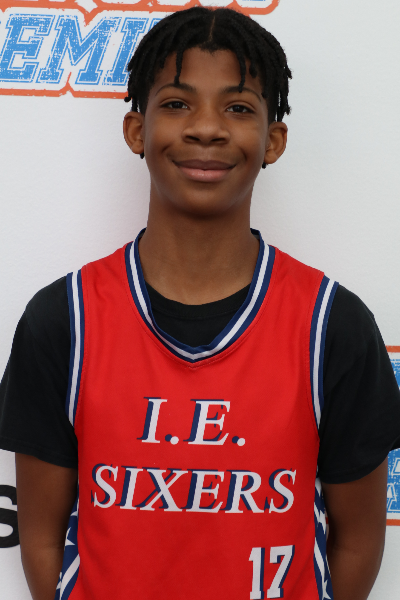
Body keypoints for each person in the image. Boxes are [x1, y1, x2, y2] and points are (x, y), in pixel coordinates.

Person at [1, 7, 400, 600]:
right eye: (177, 103)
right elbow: (40, 538)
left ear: (273, 140)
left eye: (237, 108)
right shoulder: (64, 320)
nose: (207, 128)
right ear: (137, 131)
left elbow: (359, 541)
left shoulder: (332, 326)